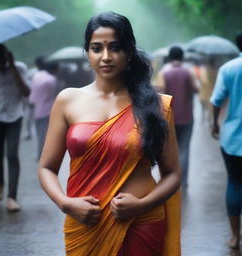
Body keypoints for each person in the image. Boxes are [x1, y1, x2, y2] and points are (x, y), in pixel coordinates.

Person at [38, 12, 181, 256]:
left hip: (141, 222)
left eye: (115, 47)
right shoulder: (67, 100)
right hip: (85, 225)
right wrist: (65, 203)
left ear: (129, 52)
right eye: (96, 48)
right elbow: (46, 168)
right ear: (88, 53)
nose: (106, 57)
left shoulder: (155, 105)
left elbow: (173, 174)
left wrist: (141, 205)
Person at [0, 44, 30, 212]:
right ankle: (0, 183)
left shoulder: (20, 68)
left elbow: (26, 92)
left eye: (1, 55)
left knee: (12, 155)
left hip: (14, 117)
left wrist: (12, 67)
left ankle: (12, 197)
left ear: (7, 54)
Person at [210, 32, 242, 250]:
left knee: (235, 183)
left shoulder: (229, 68)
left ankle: (235, 237)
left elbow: (217, 99)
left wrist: (214, 123)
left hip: (233, 137)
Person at [155, 46, 198, 188]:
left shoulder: (164, 73)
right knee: (184, 149)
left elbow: (160, 91)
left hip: (169, 117)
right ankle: (183, 181)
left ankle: (169, 180)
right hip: (186, 116)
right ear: (182, 57)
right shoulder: (188, 72)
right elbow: (195, 89)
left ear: (170, 57)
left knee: (168, 149)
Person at [29, 59, 59, 158]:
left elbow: (33, 94)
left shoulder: (37, 76)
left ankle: (40, 154)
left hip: (37, 109)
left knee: (40, 134)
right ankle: (45, 156)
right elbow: (55, 94)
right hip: (48, 110)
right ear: (54, 69)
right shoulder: (51, 79)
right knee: (47, 135)